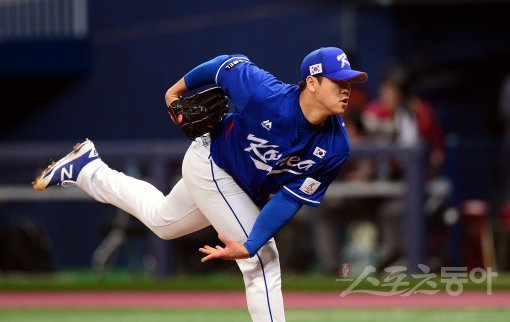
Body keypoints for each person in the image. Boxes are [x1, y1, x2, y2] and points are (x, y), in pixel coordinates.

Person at [32, 47, 367, 322]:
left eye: (350, 81)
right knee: (264, 262)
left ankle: (88, 170)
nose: (347, 88)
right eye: (338, 81)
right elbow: (226, 64)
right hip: (211, 163)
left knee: (163, 220)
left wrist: (250, 242)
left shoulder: (337, 146)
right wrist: (175, 90)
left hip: (238, 185)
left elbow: (288, 200)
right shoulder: (264, 94)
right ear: (312, 82)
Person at [361, 65, 445, 270]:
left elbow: (438, 153)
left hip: (416, 183)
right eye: (386, 89)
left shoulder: (420, 112)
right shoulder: (374, 112)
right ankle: (393, 258)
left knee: (405, 207)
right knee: (389, 209)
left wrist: (431, 166)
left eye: (393, 90)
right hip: (378, 182)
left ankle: (406, 259)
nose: (388, 95)